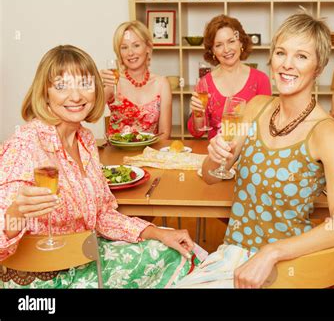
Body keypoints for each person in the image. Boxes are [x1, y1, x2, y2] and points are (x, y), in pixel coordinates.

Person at [176, 11, 334, 288]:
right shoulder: (255, 107)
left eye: (301, 56)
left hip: (285, 267)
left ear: (318, 66)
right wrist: (214, 158)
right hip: (233, 257)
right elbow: (210, 176)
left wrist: (272, 252)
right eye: (281, 53)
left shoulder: (326, 132)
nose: (287, 64)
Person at [0, 45, 197, 288]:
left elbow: (102, 216)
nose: (76, 96)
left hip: (81, 256)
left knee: (176, 250)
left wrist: (156, 232)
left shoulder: (85, 140)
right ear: (45, 92)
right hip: (42, 275)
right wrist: (15, 214)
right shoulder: (26, 142)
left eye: (84, 84)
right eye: (62, 86)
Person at [187, 14, 271, 140]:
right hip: (217, 153)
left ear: (241, 42)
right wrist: (198, 114)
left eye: (231, 41)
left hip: (250, 154)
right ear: (213, 51)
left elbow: (266, 125)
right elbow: (197, 133)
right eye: (218, 45)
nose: (226, 49)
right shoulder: (204, 84)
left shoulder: (261, 80)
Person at [101, 20, 171, 138]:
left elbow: (165, 134)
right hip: (116, 153)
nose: (130, 53)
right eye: (124, 47)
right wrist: (96, 85)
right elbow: (88, 115)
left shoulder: (162, 84)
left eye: (136, 45)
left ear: (148, 47)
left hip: (148, 153)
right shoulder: (113, 82)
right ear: (119, 52)